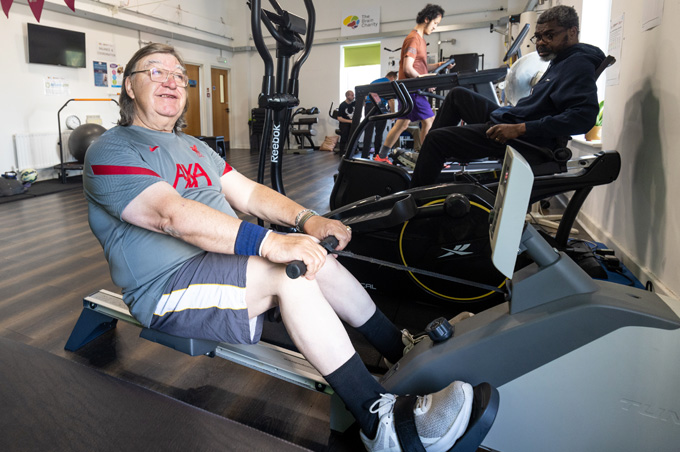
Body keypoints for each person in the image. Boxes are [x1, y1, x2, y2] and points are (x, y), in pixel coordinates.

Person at [83, 43, 473, 452]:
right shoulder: (112, 148)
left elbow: (249, 194)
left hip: (221, 262)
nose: (172, 81)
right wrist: (270, 243)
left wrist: (308, 220)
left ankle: (400, 350)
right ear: (129, 86)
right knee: (293, 279)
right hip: (166, 286)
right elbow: (171, 215)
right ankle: (384, 426)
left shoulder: (193, 146)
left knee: (312, 256)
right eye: (157, 72)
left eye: (180, 75)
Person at [410, 5, 606, 187]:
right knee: (457, 95)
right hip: (514, 120)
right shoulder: (560, 60)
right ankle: (429, 161)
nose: (541, 43)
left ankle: (413, 203)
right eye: (537, 37)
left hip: (526, 140)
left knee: (436, 140)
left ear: (572, 32)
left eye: (549, 35)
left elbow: (583, 118)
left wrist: (520, 128)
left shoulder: (577, 64)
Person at [374, 4, 451, 164]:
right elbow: (408, 69)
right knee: (429, 120)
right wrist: (426, 81)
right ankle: (429, 158)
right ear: (426, 19)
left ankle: (381, 156)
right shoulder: (414, 38)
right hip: (412, 89)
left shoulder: (420, 40)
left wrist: (438, 65)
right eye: (435, 23)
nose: (435, 27)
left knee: (402, 124)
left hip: (409, 89)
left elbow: (419, 66)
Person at [361, 71, 397, 159]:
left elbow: (365, 96)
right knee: (379, 132)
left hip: (369, 105)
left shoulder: (374, 81)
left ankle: (365, 155)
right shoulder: (389, 82)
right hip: (380, 106)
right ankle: (376, 154)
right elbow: (391, 100)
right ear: (392, 77)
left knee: (368, 131)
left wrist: (366, 105)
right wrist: (393, 114)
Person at [337, 89, 355, 154]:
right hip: (344, 124)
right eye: (352, 95)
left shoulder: (354, 103)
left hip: (352, 123)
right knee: (344, 135)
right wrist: (350, 121)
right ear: (347, 96)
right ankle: (341, 152)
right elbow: (339, 118)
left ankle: (351, 151)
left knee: (353, 136)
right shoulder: (342, 105)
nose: (354, 97)